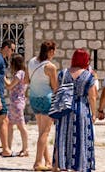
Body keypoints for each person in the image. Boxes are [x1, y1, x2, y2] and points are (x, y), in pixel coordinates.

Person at [52, 48, 98, 172]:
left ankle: (62, 164)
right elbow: (92, 96)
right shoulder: (88, 76)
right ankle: (80, 166)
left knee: (62, 137)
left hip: (64, 110)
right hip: (81, 109)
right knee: (81, 137)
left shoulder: (63, 73)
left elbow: (56, 91)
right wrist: (94, 113)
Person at [29, 41, 58, 172]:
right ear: (50, 51)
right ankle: (37, 163)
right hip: (46, 100)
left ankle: (47, 161)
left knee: (41, 132)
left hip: (34, 98)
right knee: (45, 133)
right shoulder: (50, 67)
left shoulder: (31, 62)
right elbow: (55, 87)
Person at [8, 52, 31, 157]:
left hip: (16, 102)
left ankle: (25, 149)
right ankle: (8, 147)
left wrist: (2, 77)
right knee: (10, 125)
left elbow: (10, 86)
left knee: (21, 126)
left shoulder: (19, 74)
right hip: (18, 101)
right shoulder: (24, 73)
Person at [0, 40, 15, 156]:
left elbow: (1, 77)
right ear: (6, 48)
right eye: (12, 49)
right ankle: (6, 149)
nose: (12, 52)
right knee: (4, 120)